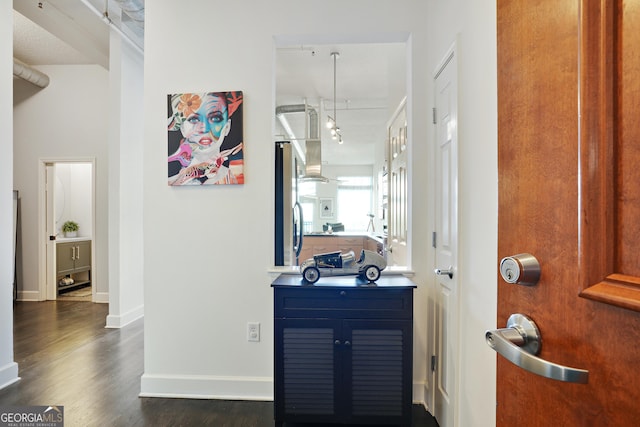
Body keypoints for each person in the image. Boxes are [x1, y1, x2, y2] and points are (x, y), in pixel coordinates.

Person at [167, 91, 244, 185]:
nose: (204, 128)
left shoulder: (235, 176)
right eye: (193, 119)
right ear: (182, 128)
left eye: (215, 118)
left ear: (227, 126)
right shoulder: (170, 181)